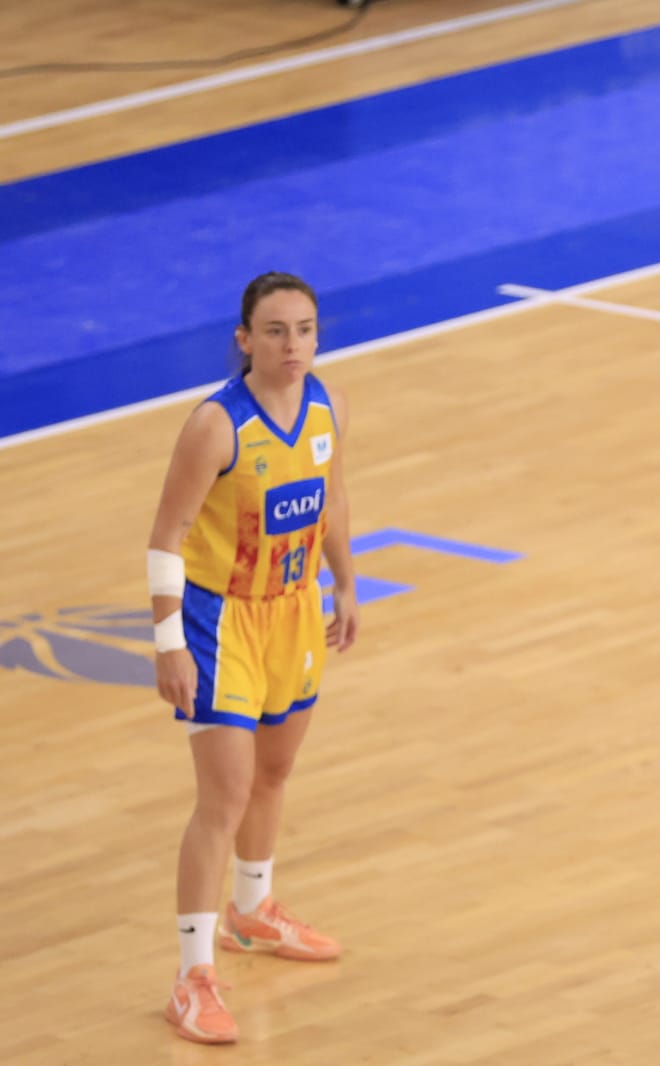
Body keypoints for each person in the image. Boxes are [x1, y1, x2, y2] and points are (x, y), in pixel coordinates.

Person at [147, 272, 358, 1044]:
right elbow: (165, 537)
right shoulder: (215, 425)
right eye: (274, 330)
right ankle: (191, 977)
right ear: (244, 339)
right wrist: (169, 643)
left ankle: (254, 911)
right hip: (220, 619)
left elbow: (332, 496)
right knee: (224, 795)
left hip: (294, 611)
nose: (292, 344)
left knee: (273, 773)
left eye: (304, 329)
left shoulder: (327, 405)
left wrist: (346, 584)